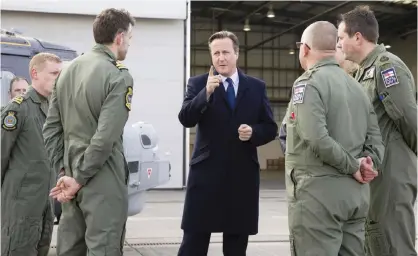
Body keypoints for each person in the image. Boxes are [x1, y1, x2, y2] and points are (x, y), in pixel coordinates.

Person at [285, 21, 385, 256]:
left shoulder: (307, 83)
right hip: (356, 197)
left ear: (305, 48)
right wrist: (368, 163)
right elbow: (375, 138)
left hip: (318, 199)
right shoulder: (357, 86)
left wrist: (353, 166)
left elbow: (317, 138)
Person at [43, 8, 135, 256]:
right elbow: (105, 138)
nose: (129, 43)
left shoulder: (66, 72)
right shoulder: (118, 76)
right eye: (129, 37)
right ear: (118, 37)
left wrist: (64, 172)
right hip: (101, 181)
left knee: (70, 249)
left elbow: (51, 128)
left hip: (70, 179)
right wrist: (80, 178)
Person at [177, 30, 278, 255]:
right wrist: (205, 94)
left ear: (236, 54)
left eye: (225, 52)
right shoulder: (198, 84)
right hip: (206, 177)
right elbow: (185, 118)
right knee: (193, 243)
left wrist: (253, 132)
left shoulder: (256, 87)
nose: (221, 58)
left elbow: (270, 128)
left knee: (236, 246)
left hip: (241, 178)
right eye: (216, 53)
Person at [337, 6, 417, 256]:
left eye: (341, 37)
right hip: (376, 174)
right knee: (376, 242)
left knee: (394, 245)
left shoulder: (386, 67)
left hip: (392, 174)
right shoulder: (363, 72)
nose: (338, 43)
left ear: (357, 37)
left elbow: (409, 119)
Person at [1, 52, 62, 256]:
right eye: (53, 73)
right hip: (21, 208)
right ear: (35, 73)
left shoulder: (51, 109)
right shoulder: (18, 110)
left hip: (44, 205)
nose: (58, 78)